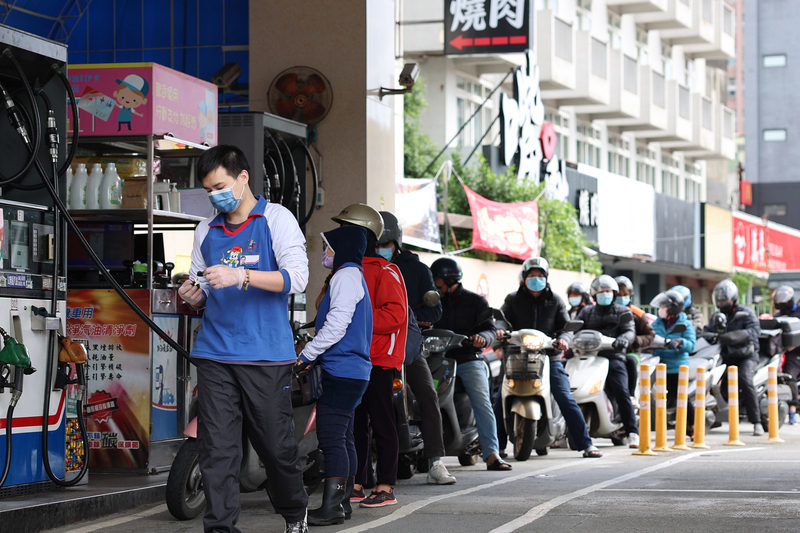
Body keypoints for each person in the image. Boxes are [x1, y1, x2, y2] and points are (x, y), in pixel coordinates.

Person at [177, 145, 309, 533]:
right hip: (216, 353)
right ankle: (220, 528)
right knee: (216, 449)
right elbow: (202, 286)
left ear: (243, 177)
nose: (215, 195)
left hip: (266, 356)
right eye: (208, 190)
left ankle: (293, 513)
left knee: (275, 447)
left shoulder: (275, 219)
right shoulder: (207, 229)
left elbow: (297, 279)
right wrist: (193, 294)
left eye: (220, 185)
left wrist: (242, 276)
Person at [331, 204, 408, 508]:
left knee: (382, 421)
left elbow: (395, 316)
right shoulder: (346, 269)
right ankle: (358, 482)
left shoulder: (387, 271)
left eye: (344, 229)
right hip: (353, 357)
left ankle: (386, 486)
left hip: (378, 359)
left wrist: (355, 316)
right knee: (356, 424)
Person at [297, 226, 372, 526]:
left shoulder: (344, 276)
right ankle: (342, 504)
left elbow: (337, 324)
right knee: (344, 437)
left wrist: (308, 353)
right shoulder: (354, 276)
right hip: (354, 371)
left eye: (328, 247)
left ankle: (332, 508)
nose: (324, 253)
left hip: (341, 370)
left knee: (331, 439)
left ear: (341, 249)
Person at [376, 211, 456, 484]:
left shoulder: (417, 270)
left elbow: (435, 311)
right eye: (377, 243)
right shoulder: (362, 266)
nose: (381, 249)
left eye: (385, 243)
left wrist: (420, 318)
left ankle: (435, 460)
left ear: (396, 242)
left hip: (408, 343)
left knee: (426, 392)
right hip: (374, 343)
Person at [499, 257, 603, 458]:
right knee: (499, 399)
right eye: (532, 276)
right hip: (517, 357)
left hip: (549, 357)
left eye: (540, 276)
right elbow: (501, 321)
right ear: (524, 277)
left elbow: (566, 328)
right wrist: (499, 334)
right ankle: (498, 447)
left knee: (565, 396)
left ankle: (586, 444)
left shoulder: (555, 300)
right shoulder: (512, 299)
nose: (536, 279)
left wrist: (564, 339)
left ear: (546, 277)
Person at [431, 257, 512, 471]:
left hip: (468, 359)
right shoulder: (430, 300)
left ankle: (492, 454)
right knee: (425, 399)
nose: (434, 283)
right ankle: (428, 453)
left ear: (449, 279)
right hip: (436, 361)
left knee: (482, 401)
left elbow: (490, 329)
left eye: (437, 279)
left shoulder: (475, 301)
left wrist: (483, 338)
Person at [575, 275, 639, 448]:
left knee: (621, 390)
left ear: (614, 293)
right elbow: (575, 327)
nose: (605, 294)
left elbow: (629, 331)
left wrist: (624, 339)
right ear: (594, 295)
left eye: (608, 291)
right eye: (601, 291)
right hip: (589, 357)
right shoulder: (586, 311)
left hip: (614, 357)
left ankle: (632, 431)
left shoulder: (622, 311)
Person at [704, 279, 763, 436]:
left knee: (745, 379)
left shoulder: (745, 313)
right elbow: (708, 331)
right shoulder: (718, 316)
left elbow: (754, 331)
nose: (723, 303)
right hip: (724, 356)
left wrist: (734, 337)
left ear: (734, 298)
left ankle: (756, 421)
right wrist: (707, 335)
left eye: (725, 300)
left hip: (745, 356)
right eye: (720, 300)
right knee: (710, 380)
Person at [650, 289, 697, 435]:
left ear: (673, 308)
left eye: (664, 306)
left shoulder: (686, 324)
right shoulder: (656, 324)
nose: (661, 309)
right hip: (660, 366)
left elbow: (691, 345)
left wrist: (681, 342)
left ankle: (693, 426)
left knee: (682, 397)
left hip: (678, 367)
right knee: (662, 398)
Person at [614, 276, 655, 396]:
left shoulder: (638, 314)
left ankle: (631, 395)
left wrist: (634, 341)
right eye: (618, 295)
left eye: (625, 294)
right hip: (611, 352)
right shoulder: (606, 312)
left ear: (630, 295)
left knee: (630, 361)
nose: (621, 297)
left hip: (631, 352)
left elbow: (650, 335)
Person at [773, 285, 800, 425]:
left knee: (790, 376)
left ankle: (792, 411)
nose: (781, 306)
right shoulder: (777, 316)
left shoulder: (798, 313)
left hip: (795, 353)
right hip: (779, 352)